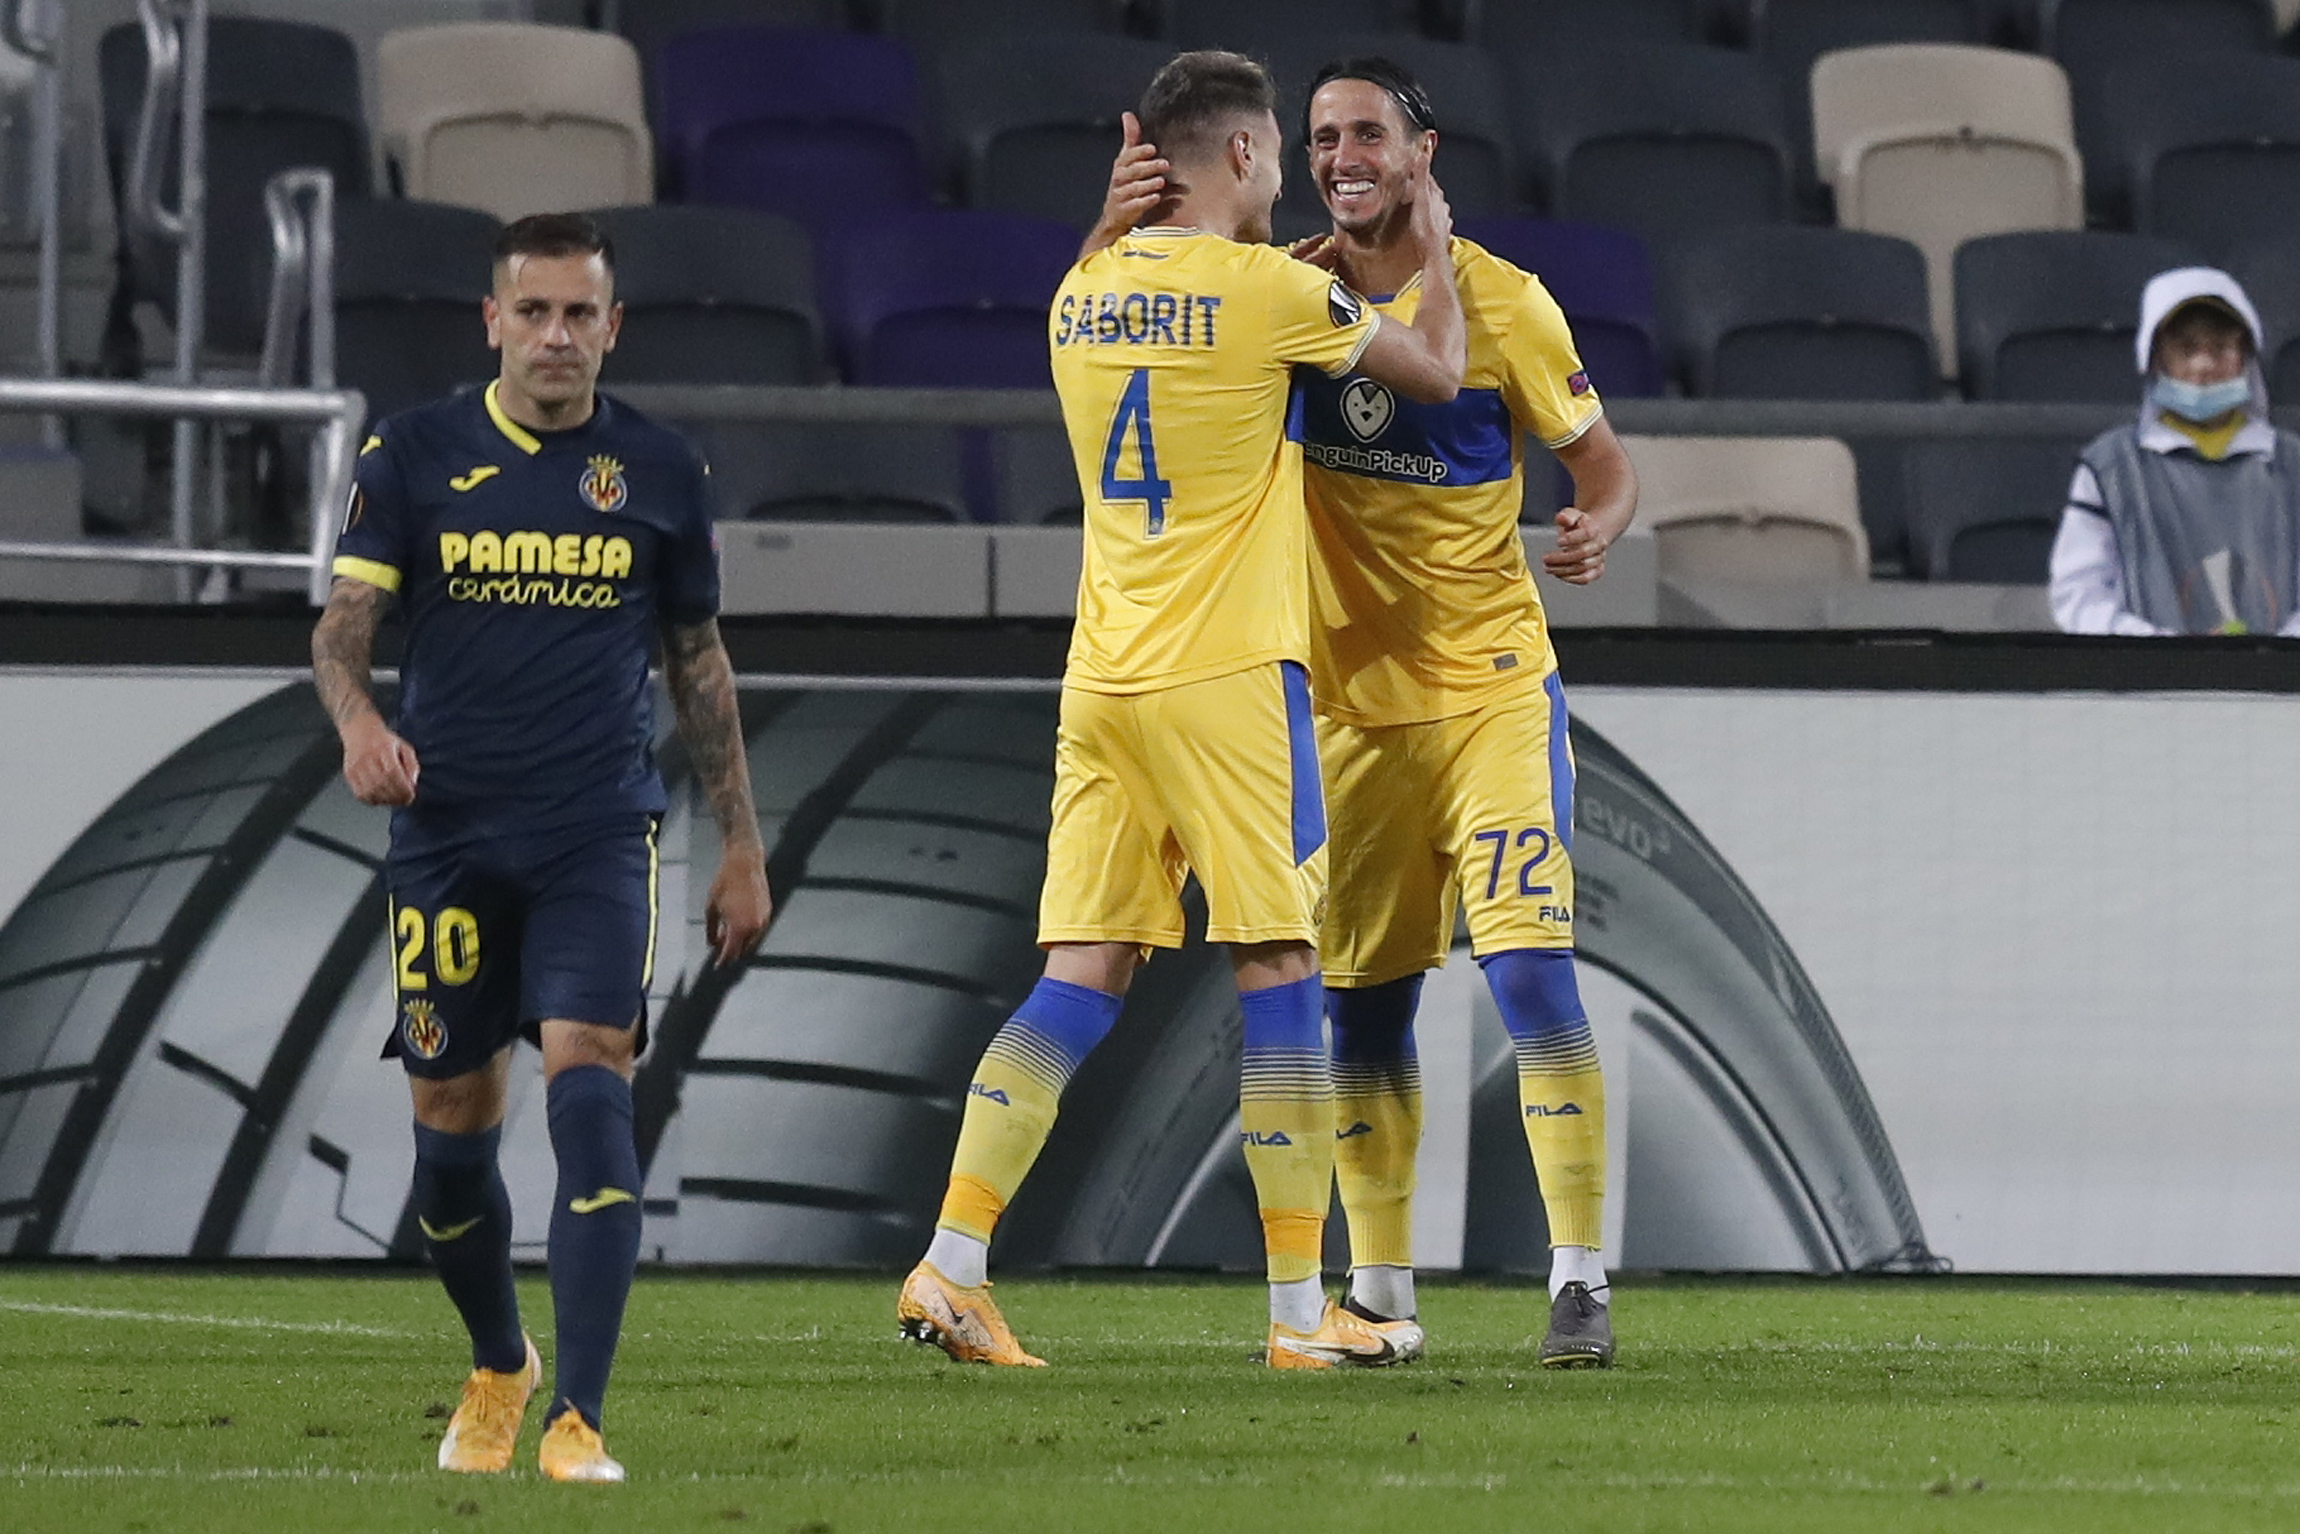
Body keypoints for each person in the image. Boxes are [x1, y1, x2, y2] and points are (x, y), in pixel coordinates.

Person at [896, 49, 1466, 1371]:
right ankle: (1293, 1311)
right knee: (1279, 967)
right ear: (1248, 157)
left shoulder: (1080, 290)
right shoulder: (1269, 290)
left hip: (1105, 679)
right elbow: (1436, 366)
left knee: (1080, 972)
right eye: (1282, 147)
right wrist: (1428, 234)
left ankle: (953, 1259)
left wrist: (1118, 226)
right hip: (1229, 679)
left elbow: (1139, 292)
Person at [1091, 57, 1641, 1368]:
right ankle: (1384, 1285)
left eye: (1367, 133)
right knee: (1370, 1010)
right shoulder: (1283, 294)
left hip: (1494, 694)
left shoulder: (1508, 306)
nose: (1341, 151)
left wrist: (1594, 527)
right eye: (1323, 133)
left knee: (1528, 965)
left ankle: (1578, 1273)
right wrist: (1116, 234)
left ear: (1422, 151)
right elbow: (1131, 335)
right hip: (1344, 716)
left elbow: (1608, 470)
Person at [311, 212, 771, 1481]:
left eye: (581, 314)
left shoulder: (663, 471)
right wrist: (359, 726)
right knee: (449, 1159)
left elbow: (697, 661)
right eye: (535, 312)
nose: (558, 335)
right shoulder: (414, 454)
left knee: (593, 1087)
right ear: (493, 321)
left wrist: (741, 838)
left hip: (595, 832)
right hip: (447, 839)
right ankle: (501, 1361)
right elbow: (341, 630)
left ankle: (579, 1416)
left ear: (613, 327)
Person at [2051, 267, 2300, 636]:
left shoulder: (2292, 464)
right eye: (2186, 349)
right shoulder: (2109, 469)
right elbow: (2079, 596)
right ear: (2155, 360)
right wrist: (2164, 656)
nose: (2203, 366)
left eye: (2220, 348)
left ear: (2245, 358)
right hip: (2150, 686)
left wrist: (2272, 661)